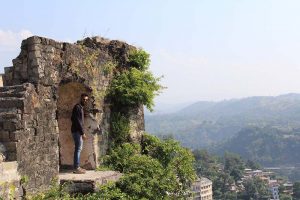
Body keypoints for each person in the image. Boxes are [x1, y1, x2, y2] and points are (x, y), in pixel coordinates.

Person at [71, 93, 88, 174]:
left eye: (86, 100)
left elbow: (73, 118)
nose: (85, 101)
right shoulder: (78, 107)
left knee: (78, 149)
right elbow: (78, 121)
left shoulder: (80, 108)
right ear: (81, 99)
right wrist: (82, 133)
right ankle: (76, 168)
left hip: (76, 130)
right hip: (77, 131)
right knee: (78, 149)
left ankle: (77, 167)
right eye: (84, 99)